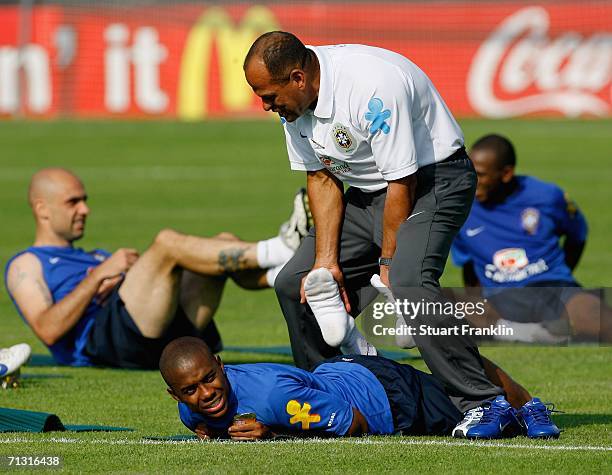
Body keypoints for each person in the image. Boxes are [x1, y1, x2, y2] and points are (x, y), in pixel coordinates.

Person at [243, 31, 511, 428]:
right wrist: (326, 262)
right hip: (368, 195)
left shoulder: (373, 85)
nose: (264, 106)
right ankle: (332, 394)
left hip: (434, 182)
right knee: (295, 283)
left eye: (268, 96)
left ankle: (484, 402)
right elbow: (320, 178)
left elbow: (402, 182)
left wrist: (387, 261)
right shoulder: (295, 106)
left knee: (407, 279)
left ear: (298, 78)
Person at [4, 168, 310, 369]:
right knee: (166, 243)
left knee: (223, 243)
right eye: (73, 202)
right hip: (105, 345)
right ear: (42, 209)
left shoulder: (95, 255)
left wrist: (121, 275)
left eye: (84, 200)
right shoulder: (26, 264)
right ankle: (282, 248)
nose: (85, 209)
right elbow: (47, 329)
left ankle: (285, 272)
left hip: (157, 337)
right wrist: (99, 277)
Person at [159, 337, 560, 440]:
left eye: (210, 378)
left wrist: (273, 434)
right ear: (175, 397)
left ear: (221, 366)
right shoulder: (190, 412)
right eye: (190, 390)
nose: (206, 393)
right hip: (341, 373)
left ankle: (528, 404)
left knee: (479, 412)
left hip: (387, 396)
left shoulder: (272, 398)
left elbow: (355, 425)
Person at [451, 134, 611, 343]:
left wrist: (563, 274)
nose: (472, 181)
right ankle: (526, 333)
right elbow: (469, 266)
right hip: (499, 298)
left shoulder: (547, 196)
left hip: (554, 290)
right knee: (448, 310)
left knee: (594, 314)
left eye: (480, 175)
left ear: (506, 173)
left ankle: (529, 331)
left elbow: (577, 236)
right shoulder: (459, 207)